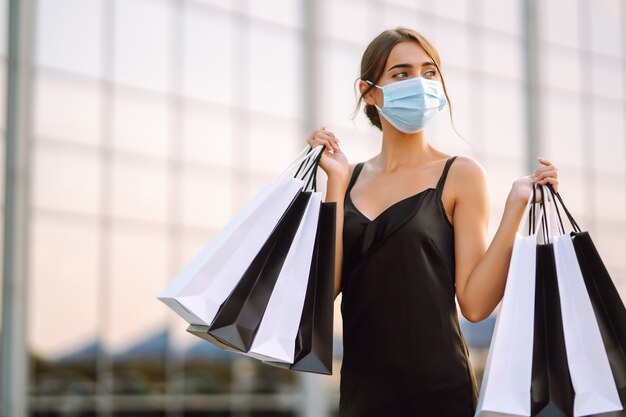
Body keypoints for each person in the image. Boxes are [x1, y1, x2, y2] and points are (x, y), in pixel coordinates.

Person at [305, 27, 560, 417]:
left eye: (429, 72)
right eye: (402, 73)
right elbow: (327, 289)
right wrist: (335, 184)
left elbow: (475, 305)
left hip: (441, 394)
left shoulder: (460, 174)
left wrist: (514, 208)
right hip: (362, 395)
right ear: (369, 91)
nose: (419, 83)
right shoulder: (349, 177)